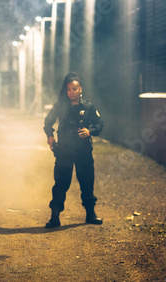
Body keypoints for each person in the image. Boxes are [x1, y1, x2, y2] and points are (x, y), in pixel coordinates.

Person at [43, 72, 104, 228]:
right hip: (64, 151)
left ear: (80, 89)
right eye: (69, 89)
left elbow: (99, 124)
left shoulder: (88, 106)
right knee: (61, 184)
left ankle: (91, 214)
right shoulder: (60, 106)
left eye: (75, 89)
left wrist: (90, 131)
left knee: (87, 182)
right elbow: (48, 121)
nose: (71, 92)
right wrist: (50, 136)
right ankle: (54, 216)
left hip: (83, 151)